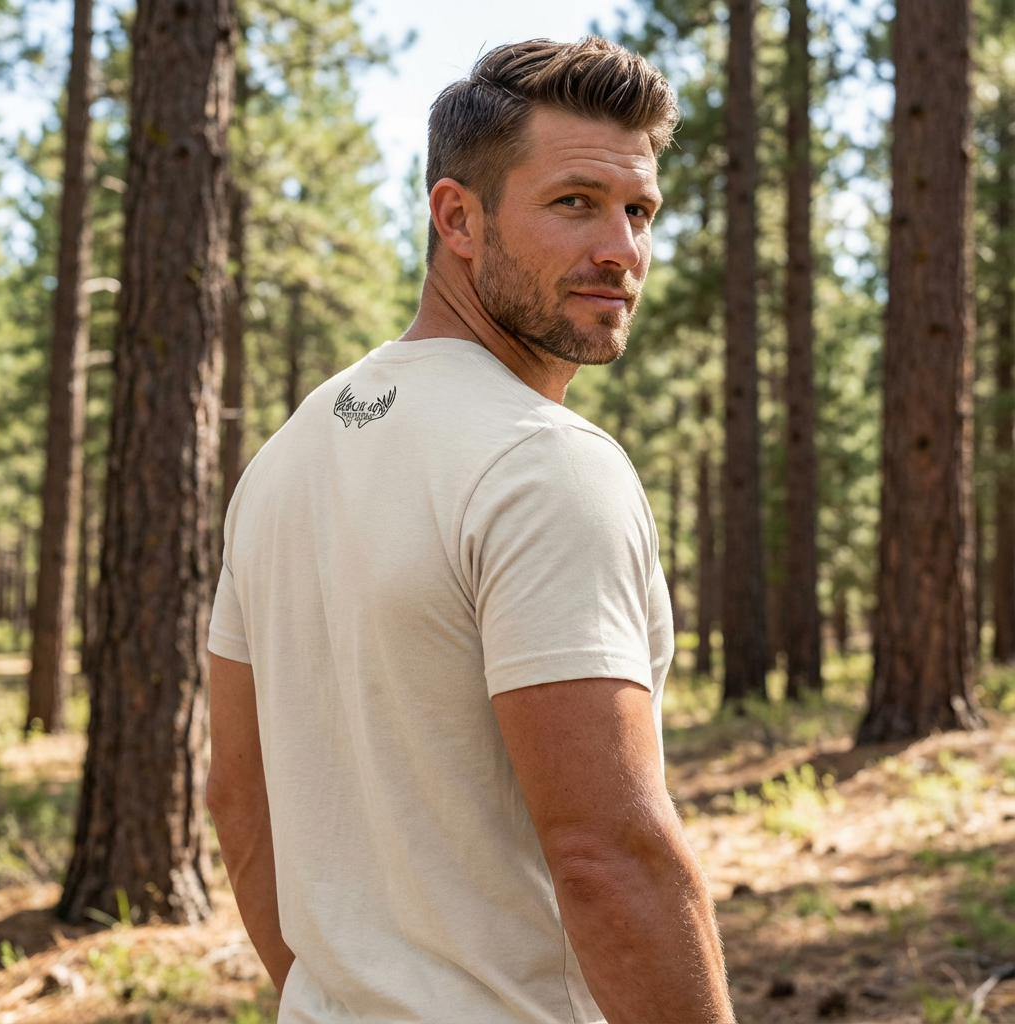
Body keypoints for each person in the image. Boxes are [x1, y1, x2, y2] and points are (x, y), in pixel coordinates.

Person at [207, 36, 734, 1024]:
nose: (622, 249)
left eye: (639, 210)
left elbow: (236, 803)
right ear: (458, 216)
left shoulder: (283, 460)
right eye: (575, 202)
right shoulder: (544, 465)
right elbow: (608, 856)